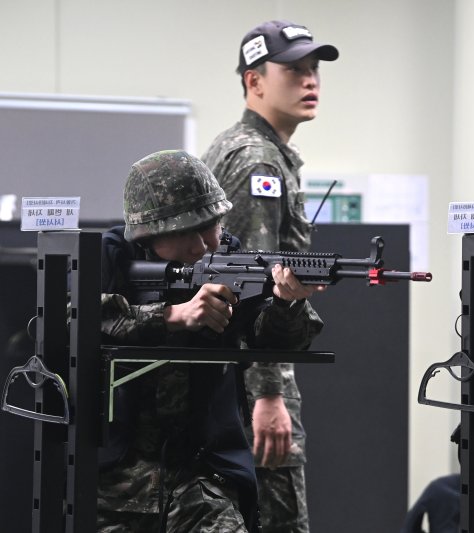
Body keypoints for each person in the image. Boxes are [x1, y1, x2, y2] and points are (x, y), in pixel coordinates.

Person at [97, 150, 323, 532]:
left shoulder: (232, 260)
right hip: (117, 478)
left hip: (203, 475)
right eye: (184, 232)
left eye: (211, 226)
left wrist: (287, 304)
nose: (202, 246)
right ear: (148, 235)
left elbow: (277, 341)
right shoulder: (110, 257)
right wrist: (173, 316)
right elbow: (78, 318)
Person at [201, 20, 338, 533]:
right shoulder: (257, 159)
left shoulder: (243, 148)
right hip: (247, 382)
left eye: (313, 69)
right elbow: (250, 282)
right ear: (254, 81)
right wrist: (267, 393)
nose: (310, 81)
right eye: (294, 70)